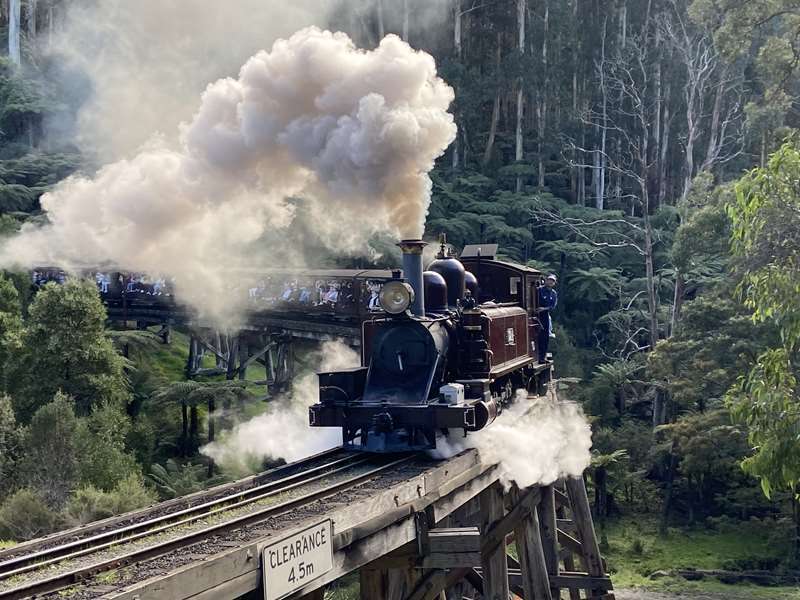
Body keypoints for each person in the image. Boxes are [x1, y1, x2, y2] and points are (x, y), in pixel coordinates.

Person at [537, 274, 558, 364]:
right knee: (537, 335)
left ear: (554, 283)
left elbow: (553, 306)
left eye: (552, 281)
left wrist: (544, 309)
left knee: (545, 337)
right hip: (536, 314)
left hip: (545, 315)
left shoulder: (553, 293)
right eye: (549, 280)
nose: (550, 282)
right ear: (546, 280)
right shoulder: (539, 290)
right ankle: (536, 356)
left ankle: (542, 357)